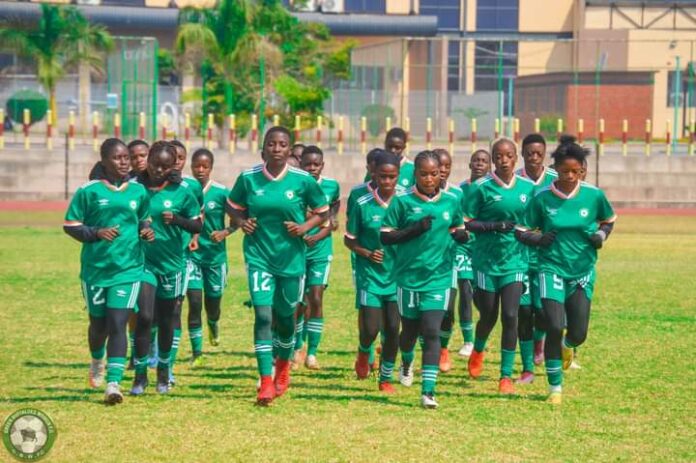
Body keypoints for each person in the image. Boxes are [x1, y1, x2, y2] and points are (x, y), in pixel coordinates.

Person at [227, 126, 329, 406]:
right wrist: (241, 221)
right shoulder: (248, 178)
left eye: (282, 144)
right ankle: (265, 381)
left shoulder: (302, 180)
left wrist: (304, 227)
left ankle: (283, 365)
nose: (277, 148)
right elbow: (232, 205)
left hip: (291, 260)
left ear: (289, 149)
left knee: (286, 319)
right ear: (264, 147)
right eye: (271, 144)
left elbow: (323, 212)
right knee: (263, 316)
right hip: (258, 257)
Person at [519, 135, 616, 404]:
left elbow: (608, 221)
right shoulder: (542, 198)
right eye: (565, 171)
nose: (570, 176)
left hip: (582, 272)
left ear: (582, 170)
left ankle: (568, 346)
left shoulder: (594, 195)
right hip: (551, 268)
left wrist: (601, 235)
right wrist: (538, 239)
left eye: (576, 171)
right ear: (556, 170)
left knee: (578, 333)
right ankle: (555, 388)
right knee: (554, 324)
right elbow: (521, 230)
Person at [64, 138, 153, 404]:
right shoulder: (88, 191)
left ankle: (114, 384)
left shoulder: (138, 191)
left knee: (117, 323)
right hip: (96, 270)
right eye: (117, 158)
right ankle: (96, 360)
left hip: (129, 269)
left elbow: (144, 219)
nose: (124, 162)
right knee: (99, 325)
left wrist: (146, 231)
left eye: (126, 157)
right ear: (104, 161)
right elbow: (71, 225)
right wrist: (96, 233)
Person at [381, 150, 469, 409]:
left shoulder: (451, 200)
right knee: (408, 332)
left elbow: (458, 229)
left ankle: (428, 391)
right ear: (415, 175)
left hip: (439, 277)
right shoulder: (402, 202)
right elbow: (385, 236)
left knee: (431, 331)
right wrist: (414, 230)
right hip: (408, 278)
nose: (430, 179)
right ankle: (407, 361)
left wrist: (462, 236)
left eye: (434, 173)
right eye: (424, 174)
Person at [464, 137, 535, 395]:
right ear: (493, 159)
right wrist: (493, 226)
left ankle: (505, 375)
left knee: (511, 315)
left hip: (516, 261)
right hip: (486, 262)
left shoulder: (528, 188)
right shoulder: (480, 188)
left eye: (508, 156)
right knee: (489, 315)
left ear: (516, 158)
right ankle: (478, 348)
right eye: (498, 156)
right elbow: (467, 222)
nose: (503, 160)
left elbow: (536, 220)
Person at [131, 141, 202, 395]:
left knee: (167, 319)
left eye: (165, 166)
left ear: (173, 166)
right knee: (144, 317)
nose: (158, 170)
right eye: (155, 164)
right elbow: (127, 218)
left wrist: (178, 220)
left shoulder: (182, 191)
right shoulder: (135, 187)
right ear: (148, 160)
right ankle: (140, 375)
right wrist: (142, 230)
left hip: (173, 264)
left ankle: (163, 370)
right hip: (143, 263)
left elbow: (198, 225)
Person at [345, 152, 400, 391]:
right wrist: (367, 253)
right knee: (370, 329)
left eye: (392, 177)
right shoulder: (362, 203)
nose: (387, 181)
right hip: (370, 275)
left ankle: (385, 378)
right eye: (382, 176)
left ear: (398, 176)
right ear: (374, 175)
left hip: (397, 277)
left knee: (393, 329)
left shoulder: (405, 202)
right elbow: (349, 240)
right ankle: (364, 350)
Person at [516, 133, 558, 382]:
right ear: (522, 153)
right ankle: (527, 368)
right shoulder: (515, 179)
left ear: (544, 155)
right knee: (524, 312)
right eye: (529, 153)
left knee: (543, 312)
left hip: (546, 258)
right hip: (519, 256)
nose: (534, 157)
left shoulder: (554, 180)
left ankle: (539, 342)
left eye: (538, 154)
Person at [295, 146, 340, 370]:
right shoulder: (295, 185)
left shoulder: (331, 185)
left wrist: (327, 225)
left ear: (322, 165)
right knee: (298, 302)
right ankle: (297, 347)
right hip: (297, 250)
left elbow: (333, 210)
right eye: (308, 164)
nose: (312, 168)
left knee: (316, 297)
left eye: (316, 164)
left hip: (321, 250)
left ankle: (312, 353)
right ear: (301, 164)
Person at [187, 148, 234, 365]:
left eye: (204, 166)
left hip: (215, 257)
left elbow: (239, 218)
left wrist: (225, 232)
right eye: (196, 166)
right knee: (195, 302)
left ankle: (213, 322)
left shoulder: (221, 192)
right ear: (191, 167)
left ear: (211, 168)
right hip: (192, 256)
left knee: (212, 304)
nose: (200, 170)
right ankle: (197, 352)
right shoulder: (185, 190)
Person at [169, 139, 204, 385]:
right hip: (157, 255)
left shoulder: (192, 186)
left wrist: (194, 238)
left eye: (181, 158)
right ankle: (154, 355)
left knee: (184, 304)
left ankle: (172, 362)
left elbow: (198, 216)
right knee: (156, 311)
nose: (176, 162)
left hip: (184, 255)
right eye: (172, 158)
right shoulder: (150, 185)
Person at [456, 149, 491, 359]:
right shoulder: (460, 190)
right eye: (476, 160)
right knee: (465, 289)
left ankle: (481, 337)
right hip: (463, 248)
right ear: (469, 165)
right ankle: (468, 340)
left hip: (484, 249)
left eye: (484, 161)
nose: (479, 164)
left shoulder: (492, 189)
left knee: (483, 298)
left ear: (489, 166)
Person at [431, 148, 462, 373]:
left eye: (447, 166)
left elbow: (461, 226)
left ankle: (442, 349)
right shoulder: (411, 195)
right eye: (439, 166)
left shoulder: (456, 195)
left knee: (448, 310)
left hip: (447, 262)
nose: (442, 170)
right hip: (418, 264)